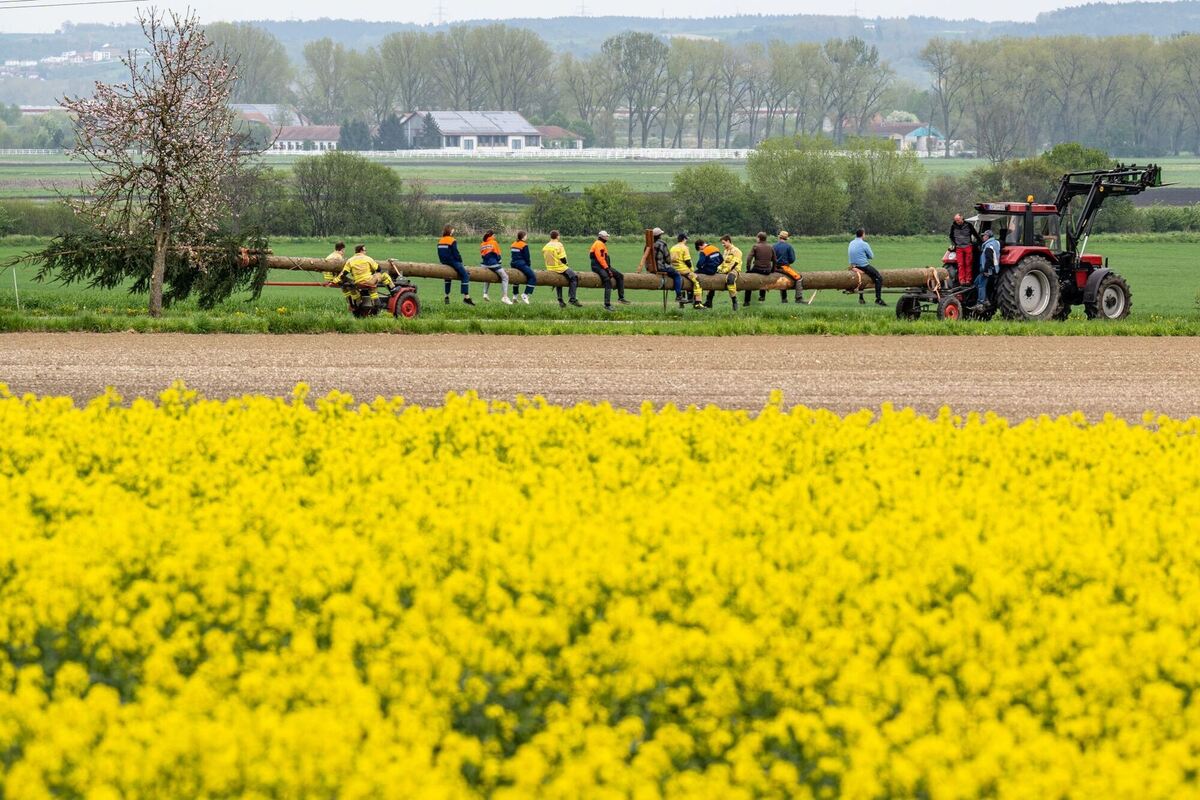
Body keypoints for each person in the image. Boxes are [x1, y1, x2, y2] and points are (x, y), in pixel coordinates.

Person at [338, 244, 394, 314]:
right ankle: (393, 290)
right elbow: (378, 268)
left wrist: (342, 279)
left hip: (358, 283)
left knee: (371, 288)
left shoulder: (350, 260)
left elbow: (345, 273)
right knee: (384, 275)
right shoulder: (367, 258)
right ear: (361, 250)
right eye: (365, 250)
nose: (365, 252)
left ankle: (359, 305)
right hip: (369, 281)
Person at [589, 230, 630, 312]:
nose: (607, 237)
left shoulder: (601, 244)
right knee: (607, 281)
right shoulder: (599, 244)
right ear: (602, 237)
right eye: (606, 236)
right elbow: (600, 259)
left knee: (620, 276)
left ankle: (621, 298)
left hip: (604, 266)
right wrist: (607, 269)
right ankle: (607, 304)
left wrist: (608, 268)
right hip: (598, 266)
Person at [644, 227, 684, 302]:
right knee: (677, 274)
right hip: (660, 267)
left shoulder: (647, 245)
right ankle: (679, 296)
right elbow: (668, 259)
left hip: (650, 268)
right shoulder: (662, 244)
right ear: (660, 235)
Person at [437, 225, 474, 306]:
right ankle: (466, 297)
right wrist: (460, 261)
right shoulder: (452, 240)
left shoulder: (440, 240)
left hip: (443, 261)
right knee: (465, 275)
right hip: (452, 261)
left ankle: (446, 296)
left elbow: (439, 253)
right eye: (453, 230)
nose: (453, 232)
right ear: (450, 231)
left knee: (447, 277)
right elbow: (455, 253)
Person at [698, 236, 739, 310]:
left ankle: (734, 301)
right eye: (722, 243)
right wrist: (718, 269)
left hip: (733, 270)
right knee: (712, 278)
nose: (723, 245)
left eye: (724, 243)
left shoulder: (736, 251)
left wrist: (725, 271)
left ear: (728, 241)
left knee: (730, 280)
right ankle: (709, 301)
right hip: (723, 270)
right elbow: (722, 262)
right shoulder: (725, 251)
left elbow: (734, 264)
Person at [543, 230, 580, 308]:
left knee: (559, 280)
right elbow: (562, 258)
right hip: (559, 267)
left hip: (549, 268)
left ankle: (560, 300)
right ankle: (572, 298)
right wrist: (566, 264)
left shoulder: (546, 246)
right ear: (557, 236)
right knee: (574, 277)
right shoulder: (559, 245)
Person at [848, 228, 884, 306]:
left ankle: (861, 298)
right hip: (862, 266)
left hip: (853, 266)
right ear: (863, 234)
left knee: (863, 279)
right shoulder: (864, 244)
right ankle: (878, 299)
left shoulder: (851, 243)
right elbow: (871, 256)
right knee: (879, 278)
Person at [670, 233, 705, 310]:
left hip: (675, 269)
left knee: (682, 283)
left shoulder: (673, 248)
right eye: (686, 239)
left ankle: (682, 303)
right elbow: (687, 261)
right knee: (697, 281)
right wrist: (691, 269)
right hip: (684, 270)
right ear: (684, 239)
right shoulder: (684, 248)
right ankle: (697, 303)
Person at [479, 229, 512, 305]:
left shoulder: (482, 244)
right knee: (505, 277)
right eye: (494, 235)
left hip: (484, 264)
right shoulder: (494, 242)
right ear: (492, 235)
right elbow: (498, 255)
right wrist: (499, 261)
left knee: (487, 277)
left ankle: (485, 293)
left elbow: (482, 255)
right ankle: (505, 297)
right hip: (493, 264)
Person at [972, 229, 1001, 312]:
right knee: (977, 282)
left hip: (988, 270)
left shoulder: (988, 247)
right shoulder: (995, 243)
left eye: (984, 236)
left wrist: (986, 270)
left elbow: (989, 260)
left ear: (988, 237)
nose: (983, 237)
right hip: (988, 269)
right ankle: (985, 300)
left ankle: (981, 303)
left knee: (981, 284)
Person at [744, 232, 776, 306]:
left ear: (759, 238)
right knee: (763, 278)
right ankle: (762, 296)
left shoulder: (755, 246)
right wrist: (772, 270)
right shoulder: (771, 247)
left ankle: (746, 301)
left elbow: (749, 259)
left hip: (757, 268)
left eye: (756, 237)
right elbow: (774, 260)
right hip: (767, 270)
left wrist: (748, 269)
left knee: (748, 281)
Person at [949, 213, 980, 286]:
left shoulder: (968, 225)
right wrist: (955, 244)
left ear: (962, 218)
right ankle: (962, 280)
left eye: (958, 220)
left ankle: (968, 280)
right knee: (960, 264)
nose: (958, 221)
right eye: (956, 220)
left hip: (968, 247)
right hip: (959, 248)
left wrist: (981, 242)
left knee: (968, 264)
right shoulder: (953, 227)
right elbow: (951, 236)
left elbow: (975, 234)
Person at [772, 231, 801, 303]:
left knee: (782, 279)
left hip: (775, 267)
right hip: (784, 267)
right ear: (786, 238)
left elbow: (771, 258)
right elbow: (792, 259)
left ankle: (784, 299)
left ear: (779, 237)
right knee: (799, 278)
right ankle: (799, 298)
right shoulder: (788, 247)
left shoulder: (774, 246)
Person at [509, 231, 536, 305]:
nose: (527, 237)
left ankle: (515, 296)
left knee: (516, 278)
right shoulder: (524, 245)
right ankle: (525, 294)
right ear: (523, 237)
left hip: (513, 264)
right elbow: (527, 257)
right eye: (526, 236)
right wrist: (528, 266)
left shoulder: (513, 244)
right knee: (532, 277)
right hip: (521, 264)